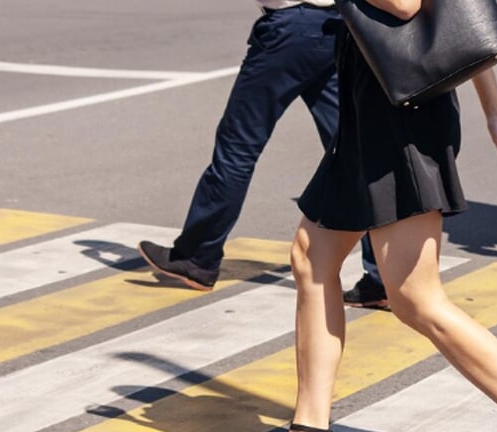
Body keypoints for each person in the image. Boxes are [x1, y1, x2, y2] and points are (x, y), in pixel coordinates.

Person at [235, 1, 497, 432]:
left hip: (399, 120)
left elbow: (408, 3)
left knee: (417, 300)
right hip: (372, 108)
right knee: (312, 257)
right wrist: (493, 109)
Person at [138, 0, 384, 295]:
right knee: (356, 151)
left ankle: (196, 257)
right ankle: (382, 277)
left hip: (289, 31)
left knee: (237, 148)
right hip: (338, 25)